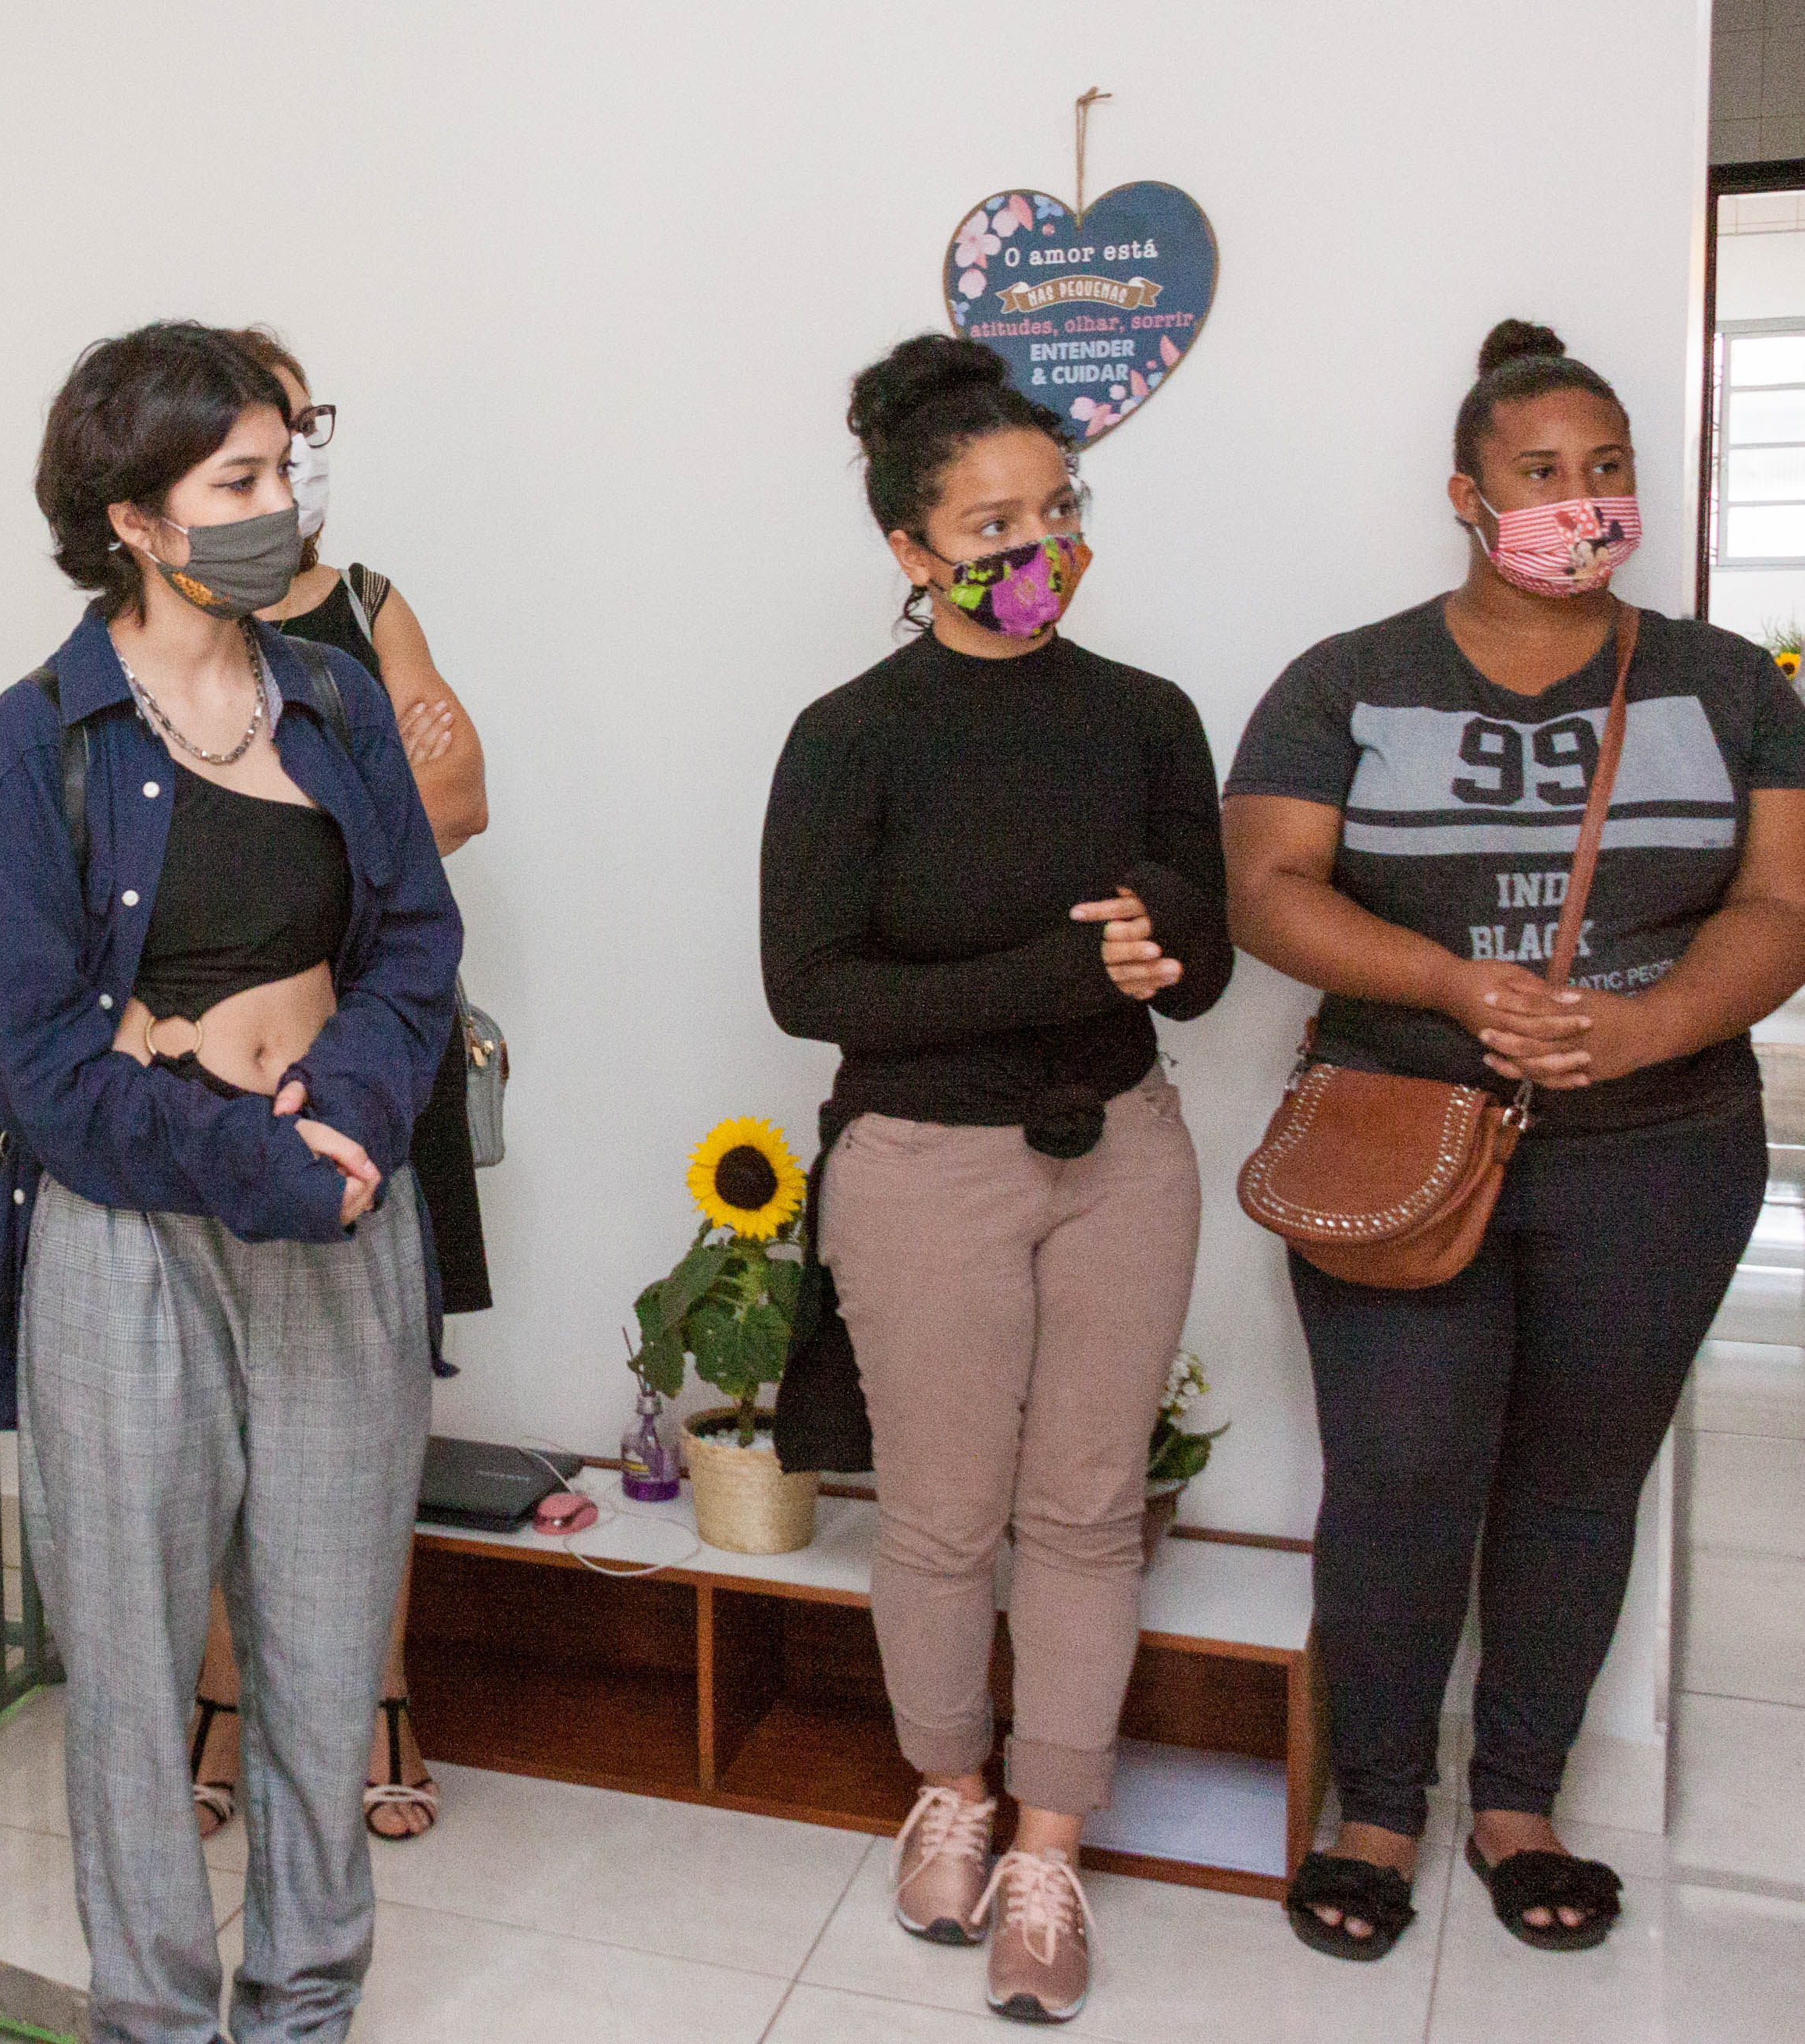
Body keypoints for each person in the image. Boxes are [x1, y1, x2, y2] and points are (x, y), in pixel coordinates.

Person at [1226, 319, 1805, 1963]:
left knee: (1575, 1482)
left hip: (1661, 1145)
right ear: (1463, 498)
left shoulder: (1720, 684)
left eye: (1605, 469)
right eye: (1540, 474)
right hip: (1396, 1136)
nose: (1580, 501)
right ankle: (1376, 1805)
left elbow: (1780, 902)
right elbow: (1267, 886)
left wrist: (1645, 1024)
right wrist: (1447, 983)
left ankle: (1517, 1800)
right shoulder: (1345, 677)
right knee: (1400, 1475)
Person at [0, 320, 460, 2044]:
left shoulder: (328, 698)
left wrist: (352, 1115)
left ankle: (305, 2005)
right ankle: (155, 2021)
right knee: (128, 1672)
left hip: (339, 1215)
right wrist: (261, 1154)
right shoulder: (37, 743)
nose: (274, 510)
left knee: (322, 1668)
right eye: (233, 483)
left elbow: (413, 944)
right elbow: (40, 1068)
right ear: (136, 522)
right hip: (129, 1240)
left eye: (281, 474)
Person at [762, 334, 1230, 2025]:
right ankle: (946, 1791)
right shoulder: (849, 738)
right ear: (908, 549)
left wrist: (1157, 948)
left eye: (1055, 507)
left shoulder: (1146, 716)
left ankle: (1048, 1841)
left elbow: (1207, 972)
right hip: (921, 1170)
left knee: (1086, 1513)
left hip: (1124, 1158)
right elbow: (809, 991)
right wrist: (1057, 969)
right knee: (946, 1518)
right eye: (988, 520)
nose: (1031, 543)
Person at [186, 326, 490, 1846]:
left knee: (367, 1409)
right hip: (200, 1074)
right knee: (213, 1413)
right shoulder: (156, 631)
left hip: (371, 1047)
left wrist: (288, 819)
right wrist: (352, 801)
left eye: (301, 432)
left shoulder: (367, 608)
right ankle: (227, 1703)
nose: (284, 466)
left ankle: (379, 1695)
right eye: (252, 441)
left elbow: (460, 793)